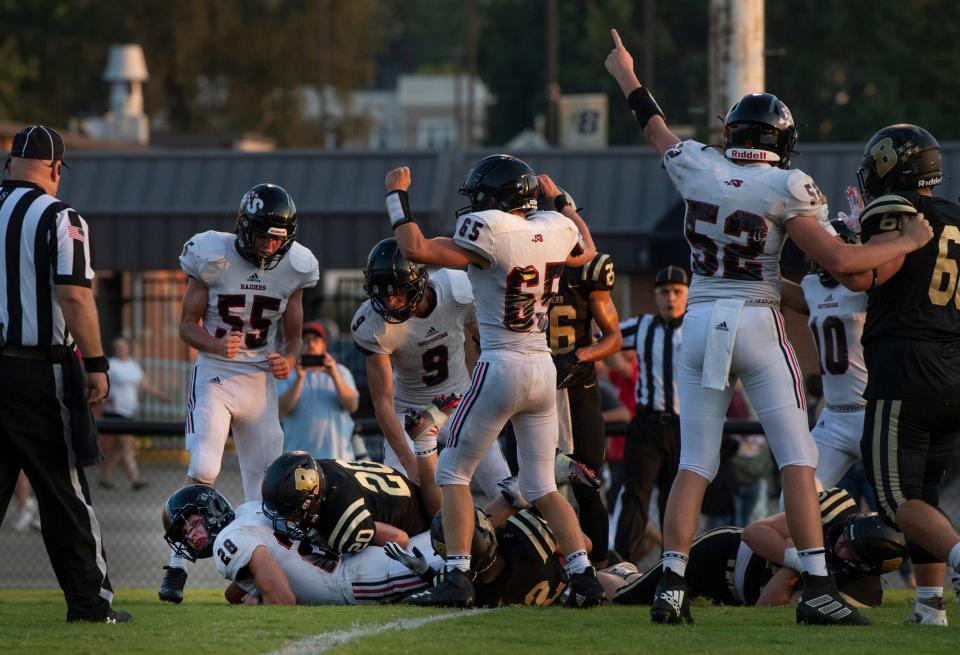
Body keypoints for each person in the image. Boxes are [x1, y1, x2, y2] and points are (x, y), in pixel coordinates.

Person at [605, 29, 932, 625]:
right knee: (797, 458)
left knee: (695, 462)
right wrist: (907, 238)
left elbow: (654, 127)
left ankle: (672, 584)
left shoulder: (696, 164)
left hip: (701, 320)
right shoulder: (787, 185)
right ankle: (815, 586)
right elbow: (837, 262)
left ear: (732, 136)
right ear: (782, 142)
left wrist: (626, 74)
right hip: (757, 318)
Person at [385, 155, 606, 608]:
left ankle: (457, 574)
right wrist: (564, 202)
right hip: (542, 367)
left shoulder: (489, 228)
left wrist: (396, 197)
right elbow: (586, 250)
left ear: (494, 198)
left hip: (501, 363)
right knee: (542, 483)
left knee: (451, 470)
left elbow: (415, 249)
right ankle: (584, 576)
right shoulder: (555, 226)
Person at [161, 182, 319, 604]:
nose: (269, 246)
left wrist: (290, 358)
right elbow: (185, 327)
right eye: (263, 235)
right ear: (243, 228)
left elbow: (294, 338)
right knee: (205, 467)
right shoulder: (211, 254)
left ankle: (257, 581)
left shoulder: (297, 266)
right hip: (216, 372)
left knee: (268, 488)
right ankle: (176, 568)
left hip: (259, 380)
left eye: (277, 238)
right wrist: (215, 345)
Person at [0, 125, 130, 623]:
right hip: (39, 370)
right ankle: (90, 602)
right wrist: (96, 364)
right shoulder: (59, 216)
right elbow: (74, 295)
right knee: (64, 489)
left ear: (10, 163)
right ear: (55, 170)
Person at [847, 124, 960, 626]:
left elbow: (869, 274)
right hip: (951, 366)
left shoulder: (897, 213)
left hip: (905, 367)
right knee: (924, 497)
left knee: (895, 500)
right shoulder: (956, 217)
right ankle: (930, 607)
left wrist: (849, 242)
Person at [610, 488, 908, 609]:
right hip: (720, 555)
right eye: (845, 533)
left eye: (849, 550)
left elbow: (766, 607)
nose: (840, 541)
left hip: (739, 594)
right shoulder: (836, 511)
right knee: (623, 599)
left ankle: (625, 571)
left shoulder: (862, 592)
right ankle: (602, 574)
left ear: (863, 566)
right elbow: (754, 532)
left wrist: (800, 558)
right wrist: (804, 558)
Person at [161, 484, 440, 605]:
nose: (192, 537)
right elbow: (242, 587)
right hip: (356, 555)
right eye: (185, 533)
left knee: (466, 549)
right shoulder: (250, 511)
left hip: (354, 580)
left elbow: (283, 600)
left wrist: (257, 604)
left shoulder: (228, 539)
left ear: (211, 510)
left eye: (193, 524)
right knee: (455, 534)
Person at [546, 211, 622, 567]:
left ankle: (601, 567)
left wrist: (582, 354)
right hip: (536, 390)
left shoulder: (587, 271)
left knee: (588, 483)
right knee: (531, 486)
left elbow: (613, 338)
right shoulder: (526, 266)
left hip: (579, 387)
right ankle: (541, 565)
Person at [780, 216, 869, 489]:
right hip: (833, 416)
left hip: (872, 412)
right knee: (795, 499)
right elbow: (774, 284)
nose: (819, 257)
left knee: (897, 504)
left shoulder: (869, 288)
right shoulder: (811, 286)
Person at [614, 265, 687, 563]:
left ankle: (676, 566)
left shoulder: (698, 327)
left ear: (687, 295)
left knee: (676, 500)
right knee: (635, 495)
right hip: (646, 423)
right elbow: (605, 336)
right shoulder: (641, 326)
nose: (670, 298)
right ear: (656, 296)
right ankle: (621, 564)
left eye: (676, 292)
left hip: (684, 427)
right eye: (664, 292)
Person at [261, 451, 430, 553]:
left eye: (292, 512)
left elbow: (400, 538)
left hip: (422, 529)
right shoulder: (319, 471)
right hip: (400, 491)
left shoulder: (342, 518)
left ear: (310, 501)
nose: (287, 519)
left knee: (357, 563)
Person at [277, 321, 359, 460]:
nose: (311, 345)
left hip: (338, 460)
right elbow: (280, 410)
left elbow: (352, 405)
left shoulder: (340, 371)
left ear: (324, 345)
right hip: (299, 462)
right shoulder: (288, 374)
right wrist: (299, 379)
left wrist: (334, 374)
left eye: (316, 340)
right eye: (306, 341)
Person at [98, 336, 171, 490]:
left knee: (117, 448)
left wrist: (162, 396)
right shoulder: (111, 364)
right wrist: (106, 398)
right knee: (127, 445)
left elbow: (145, 384)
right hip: (115, 412)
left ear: (128, 348)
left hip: (128, 412)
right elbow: (101, 384)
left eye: (122, 346)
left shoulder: (133, 366)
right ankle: (135, 479)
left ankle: (104, 478)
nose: (120, 349)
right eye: (117, 346)